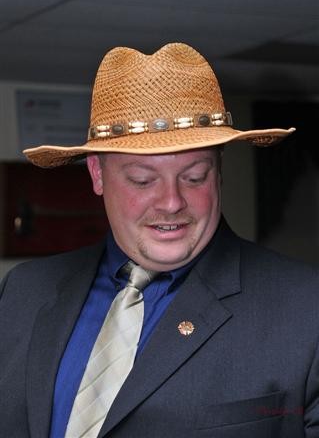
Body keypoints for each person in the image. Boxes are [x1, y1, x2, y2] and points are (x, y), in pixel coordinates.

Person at [0, 42, 318, 438]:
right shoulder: (23, 292)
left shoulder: (307, 309)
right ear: (97, 175)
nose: (171, 202)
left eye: (194, 176)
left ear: (219, 173)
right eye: (142, 180)